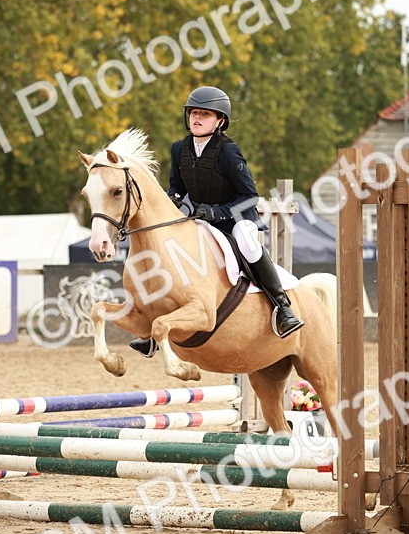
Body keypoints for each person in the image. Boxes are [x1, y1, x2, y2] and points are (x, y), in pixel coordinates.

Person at [128, 86, 303, 357]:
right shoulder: (179, 149)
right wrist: (171, 202)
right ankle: (152, 330)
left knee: (248, 243)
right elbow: (176, 187)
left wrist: (216, 212)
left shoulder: (228, 152)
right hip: (200, 218)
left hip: (235, 218)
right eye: (194, 113)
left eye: (205, 114)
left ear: (220, 120)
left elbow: (250, 196)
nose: (197, 119)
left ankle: (283, 307)